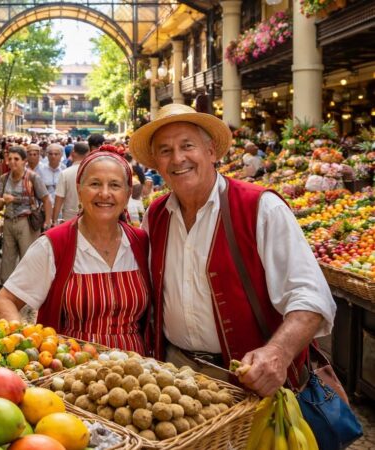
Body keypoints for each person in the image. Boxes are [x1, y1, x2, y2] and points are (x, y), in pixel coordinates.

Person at [131, 103, 336, 396]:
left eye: (187, 145)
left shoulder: (262, 207)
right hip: (176, 378)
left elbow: (311, 295)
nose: (177, 158)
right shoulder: (156, 215)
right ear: (156, 163)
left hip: (252, 382)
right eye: (165, 150)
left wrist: (278, 351)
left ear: (211, 151)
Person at [0, 149, 151, 351]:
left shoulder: (141, 243)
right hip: (74, 371)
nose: (104, 193)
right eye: (95, 184)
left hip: (137, 374)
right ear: (79, 190)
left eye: (115, 185)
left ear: (128, 194)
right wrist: (21, 345)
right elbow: (5, 300)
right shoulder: (54, 245)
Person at [0, 146, 53, 286]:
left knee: (28, 256)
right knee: (7, 257)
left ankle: (28, 287)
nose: (12, 162)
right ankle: (6, 285)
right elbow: (0, 201)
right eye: (10, 159)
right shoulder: (4, 178)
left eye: (17, 159)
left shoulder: (33, 177)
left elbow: (46, 199)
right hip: (9, 221)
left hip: (26, 221)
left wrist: (48, 221)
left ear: (24, 161)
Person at [53, 142, 90, 223]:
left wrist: (54, 220)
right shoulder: (92, 172)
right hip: (89, 217)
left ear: (73, 153)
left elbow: (59, 199)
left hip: (69, 219)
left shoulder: (65, 173)